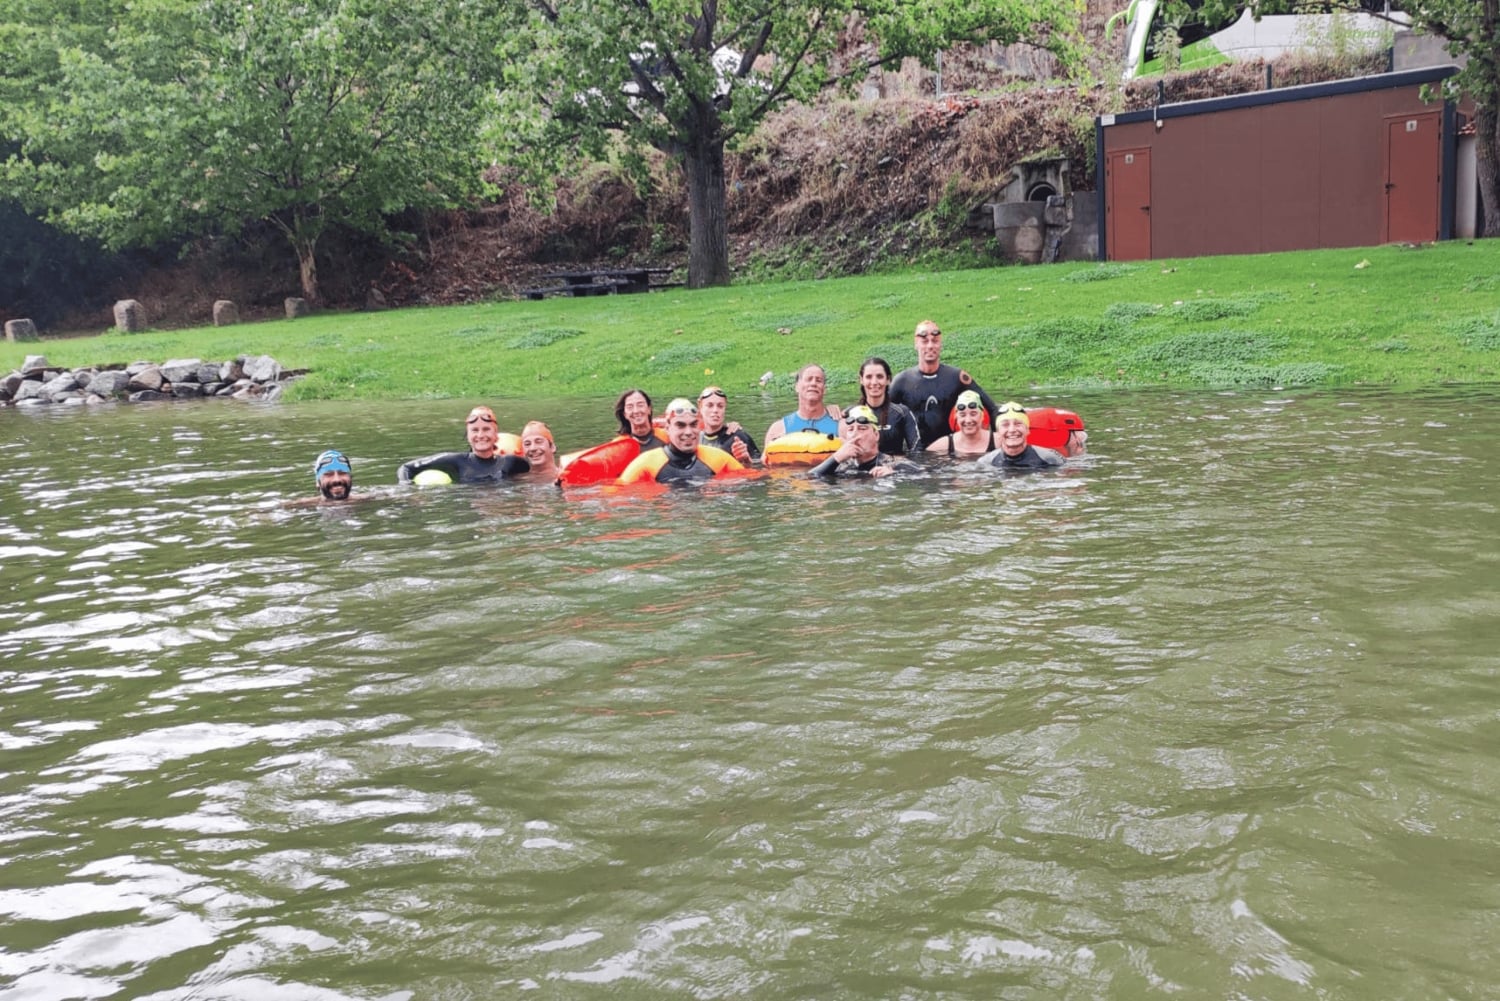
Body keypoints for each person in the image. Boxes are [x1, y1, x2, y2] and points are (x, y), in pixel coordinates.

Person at [889, 319, 1001, 447]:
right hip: (915, 453)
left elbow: (992, 409)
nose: (930, 346)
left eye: (935, 341)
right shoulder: (902, 381)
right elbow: (882, 415)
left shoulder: (957, 377)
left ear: (940, 344)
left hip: (949, 452)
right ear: (916, 344)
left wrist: (998, 445)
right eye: (925, 341)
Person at [617, 398, 746, 484]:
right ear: (667, 428)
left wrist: (746, 462)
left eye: (693, 425)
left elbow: (749, 482)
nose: (688, 432)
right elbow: (617, 496)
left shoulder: (719, 458)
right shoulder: (645, 464)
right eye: (681, 425)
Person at [397, 405, 531, 484]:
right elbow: (406, 468)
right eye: (475, 430)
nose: (480, 435)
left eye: (486, 429)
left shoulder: (512, 462)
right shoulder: (455, 461)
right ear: (468, 436)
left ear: (496, 435)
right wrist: (407, 489)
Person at [808, 405, 920, 479]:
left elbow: (925, 478)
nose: (855, 434)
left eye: (862, 429)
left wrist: (893, 476)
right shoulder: (841, 466)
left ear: (876, 435)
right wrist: (836, 457)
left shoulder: (896, 465)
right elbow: (809, 479)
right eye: (850, 429)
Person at [852, 356, 919, 456]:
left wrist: (894, 463)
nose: (874, 382)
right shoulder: (851, 414)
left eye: (879, 376)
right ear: (861, 380)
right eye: (869, 377)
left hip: (895, 465)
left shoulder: (901, 413)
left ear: (888, 379)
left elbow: (917, 452)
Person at [764, 364, 843, 446]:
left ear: (824, 389)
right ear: (797, 386)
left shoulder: (841, 426)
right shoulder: (778, 429)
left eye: (818, 380)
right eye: (809, 379)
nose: (813, 383)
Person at [977, 402, 1065, 471]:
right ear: (998, 433)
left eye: (1018, 424)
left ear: (1027, 430)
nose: (1012, 430)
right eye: (1005, 425)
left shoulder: (1050, 459)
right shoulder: (986, 463)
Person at [925, 390, 1000, 457]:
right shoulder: (942, 446)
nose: (968, 420)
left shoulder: (999, 442)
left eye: (973, 414)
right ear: (956, 418)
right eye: (963, 415)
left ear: (982, 416)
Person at [697, 385, 759, 464]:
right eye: (710, 405)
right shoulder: (695, 439)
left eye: (720, 406)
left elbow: (761, 466)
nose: (715, 410)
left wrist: (747, 461)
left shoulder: (738, 438)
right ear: (700, 406)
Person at [615, 388, 666, 452]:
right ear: (624, 414)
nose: (636, 411)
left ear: (649, 409)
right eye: (630, 407)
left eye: (640, 405)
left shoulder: (667, 436)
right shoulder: (619, 445)